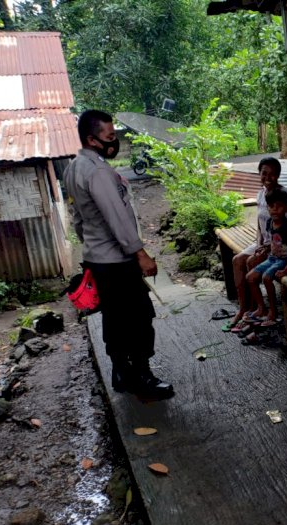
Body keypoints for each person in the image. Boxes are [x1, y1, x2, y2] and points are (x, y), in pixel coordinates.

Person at [64, 109, 173, 398]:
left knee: (114, 318)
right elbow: (116, 217)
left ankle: (121, 373)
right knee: (138, 318)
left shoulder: (74, 168)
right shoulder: (98, 171)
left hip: (98, 259)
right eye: (110, 137)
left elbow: (78, 217)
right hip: (116, 261)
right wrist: (140, 254)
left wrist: (89, 244)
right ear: (92, 139)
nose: (115, 142)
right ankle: (143, 380)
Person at [228, 157, 287, 330]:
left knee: (250, 262)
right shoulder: (261, 192)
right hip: (264, 242)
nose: (268, 177)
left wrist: (282, 241)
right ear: (259, 173)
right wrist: (259, 242)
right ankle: (244, 309)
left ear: (278, 175)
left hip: (282, 246)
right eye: (264, 173)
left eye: (272, 174)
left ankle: (262, 309)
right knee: (237, 260)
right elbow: (259, 222)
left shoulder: (286, 195)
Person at [245, 189, 287, 328]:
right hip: (272, 258)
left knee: (266, 278)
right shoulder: (270, 222)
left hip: (285, 260)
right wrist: (266, 248)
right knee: (250, 277)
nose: (275, 210)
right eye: (271, 206)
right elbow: (274, 242)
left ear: (286, 208)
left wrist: (286, 270)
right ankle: (261, 308)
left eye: (279, 206)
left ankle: (273, 311)